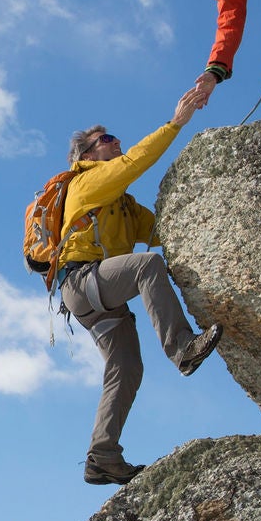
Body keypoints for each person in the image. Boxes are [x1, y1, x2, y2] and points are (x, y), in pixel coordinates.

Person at [58, 90, 222, 485]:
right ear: (88, 156)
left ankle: (102, 458)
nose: (115, 141)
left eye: (113, 136)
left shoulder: (125, 206)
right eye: (105, 140)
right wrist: (176, 123)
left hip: (96, 295)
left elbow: (164, 232)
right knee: (147, 265)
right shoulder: (87, 183)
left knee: (126, 367)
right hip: (83, 282)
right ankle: (182, 348)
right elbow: (134, 164)